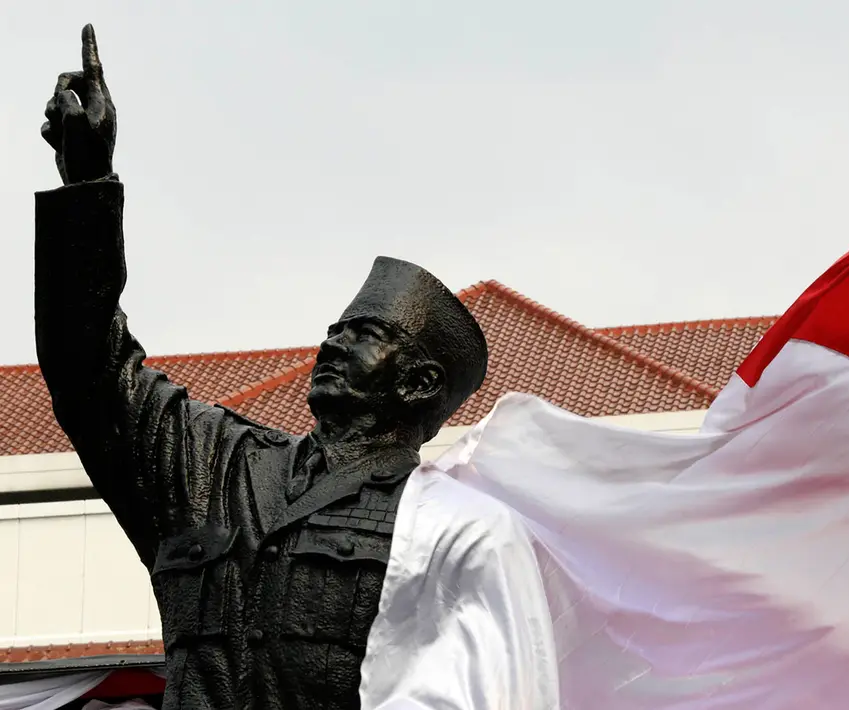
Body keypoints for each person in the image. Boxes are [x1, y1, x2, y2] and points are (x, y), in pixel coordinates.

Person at [35, 25, 557, 710]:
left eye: (364, 336)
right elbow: (90, 372)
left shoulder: (445, 524)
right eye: (334, 331)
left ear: (419, 383)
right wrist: (88, 185)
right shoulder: (218, 467)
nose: (332, 346)